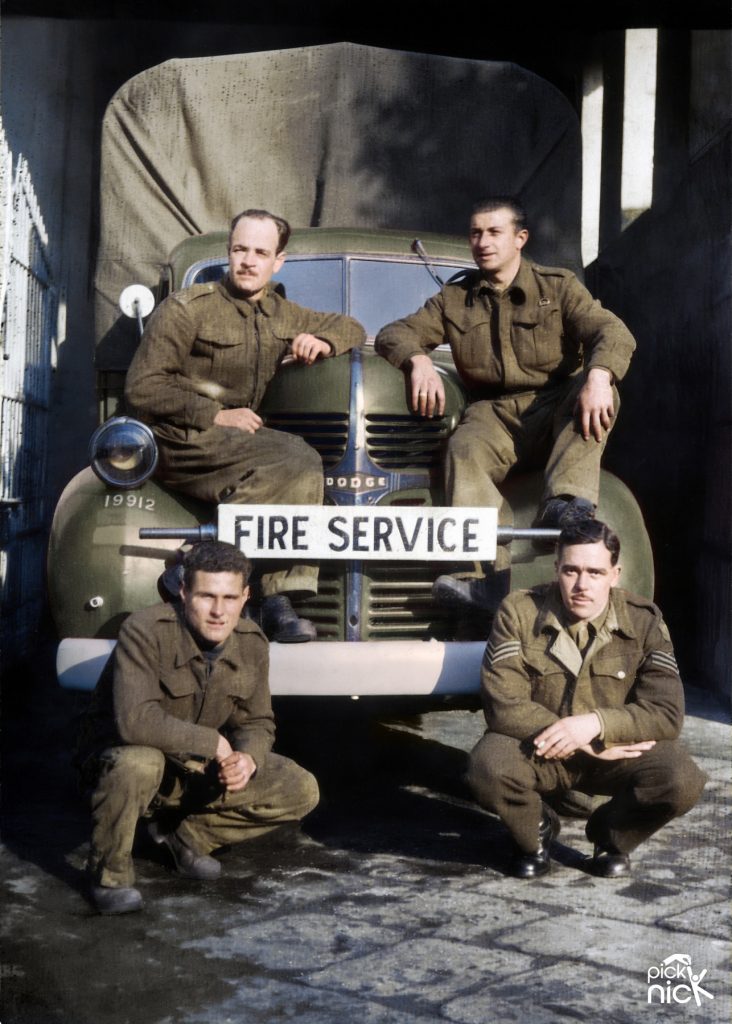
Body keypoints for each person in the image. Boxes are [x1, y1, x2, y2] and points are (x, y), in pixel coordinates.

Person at [374, 196, 637, 611]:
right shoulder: (454, 298)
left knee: (598, 390)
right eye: (475, 233)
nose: (482, 242)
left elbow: (613, 332)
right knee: (463, 449)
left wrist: (600, 376)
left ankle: (566, 504)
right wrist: (418, 359)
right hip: (493, 411)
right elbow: (394, 332)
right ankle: (481, 579)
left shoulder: (558, 287)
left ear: (520, 238)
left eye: (494, 232)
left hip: (556, 403)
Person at [125, 208, 366, 642]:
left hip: (235, 439)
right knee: (296, 460)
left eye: (260, 252)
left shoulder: (280, 312)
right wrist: (212, 413)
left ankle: (262, 593)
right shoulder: (187, 308)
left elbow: (350, 325)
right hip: (181, 438)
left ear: (278, 261)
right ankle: (228, 574)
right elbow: (143, 386)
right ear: (228, 253)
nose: (248, 261)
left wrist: (324, 340)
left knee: (302, 468)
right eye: (240, 249)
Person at [74, 541, 320, 914]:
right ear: (184, 592)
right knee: (139, 762)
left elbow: (256, 722)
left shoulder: (252, 643)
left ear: (246, 596)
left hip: (190, 767)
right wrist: (216, 744)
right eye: (206, 596)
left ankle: (182, 837)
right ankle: (109, 873)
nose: (219, 611)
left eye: (229, 597)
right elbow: (135, 721)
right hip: (120, 766)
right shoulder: (144, 631)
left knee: (301, 787)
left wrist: (247, 759)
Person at [466, 519, 706, 879]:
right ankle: (535, 832)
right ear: (556, 569)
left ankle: (611, 837)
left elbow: (666, 712)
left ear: (615, 574)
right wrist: (581, 740)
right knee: (487, 767)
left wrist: (595, 726)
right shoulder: (518, 612)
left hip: (616, 753)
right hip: (545, 749)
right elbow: (503, 705)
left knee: (681, 778)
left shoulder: (644, 622)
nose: (581, 585)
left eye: (595, 572)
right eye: (571, 571)